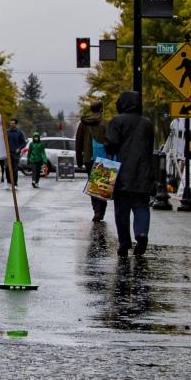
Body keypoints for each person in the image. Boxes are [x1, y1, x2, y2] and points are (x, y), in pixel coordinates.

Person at [105, 90, 155, 258]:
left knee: (122, 211)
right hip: (143, 173)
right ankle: (141, 234)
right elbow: (150, 147)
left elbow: (112, 144)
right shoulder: (147, 123)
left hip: (122, 174)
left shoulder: (117, 121)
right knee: (141, 206)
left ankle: (124, 244)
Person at [76, 103, 108, 221]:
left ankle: (97, 211)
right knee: (102, 185)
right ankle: (101, 209)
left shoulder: (84, 123)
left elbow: (78, 142)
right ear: (101, 109)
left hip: (89, 158)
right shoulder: (104, 123)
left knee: (93, 184)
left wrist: (79, 160)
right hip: (103, 157)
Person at [5, 122, 27, 188]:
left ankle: (15, 183)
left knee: (15, 169)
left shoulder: (19, 133)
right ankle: (9, 182)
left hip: (15, 153)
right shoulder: (6, 132)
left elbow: (24, 143)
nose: (11, 124)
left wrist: (19, 148)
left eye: (13, 123)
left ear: (16, 124)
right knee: (7, 168)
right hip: (8, 153)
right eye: (11, 123)